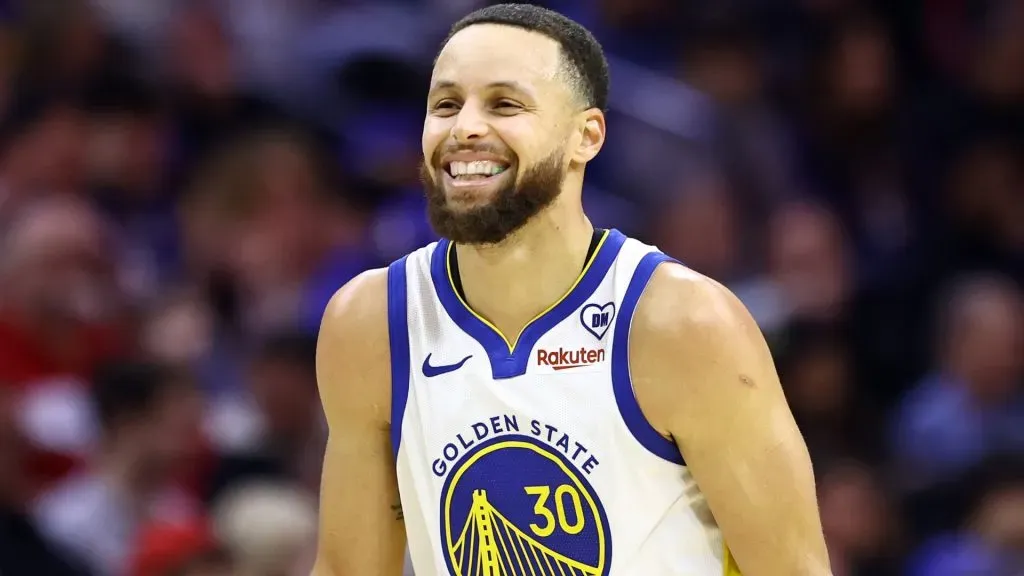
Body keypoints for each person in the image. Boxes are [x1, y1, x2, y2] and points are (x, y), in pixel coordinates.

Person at [313, 4, 829, 575]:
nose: (465, 128)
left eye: (504, 104)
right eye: (446, 104)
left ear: (586, 136)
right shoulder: (369, 325)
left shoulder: (685, 326)